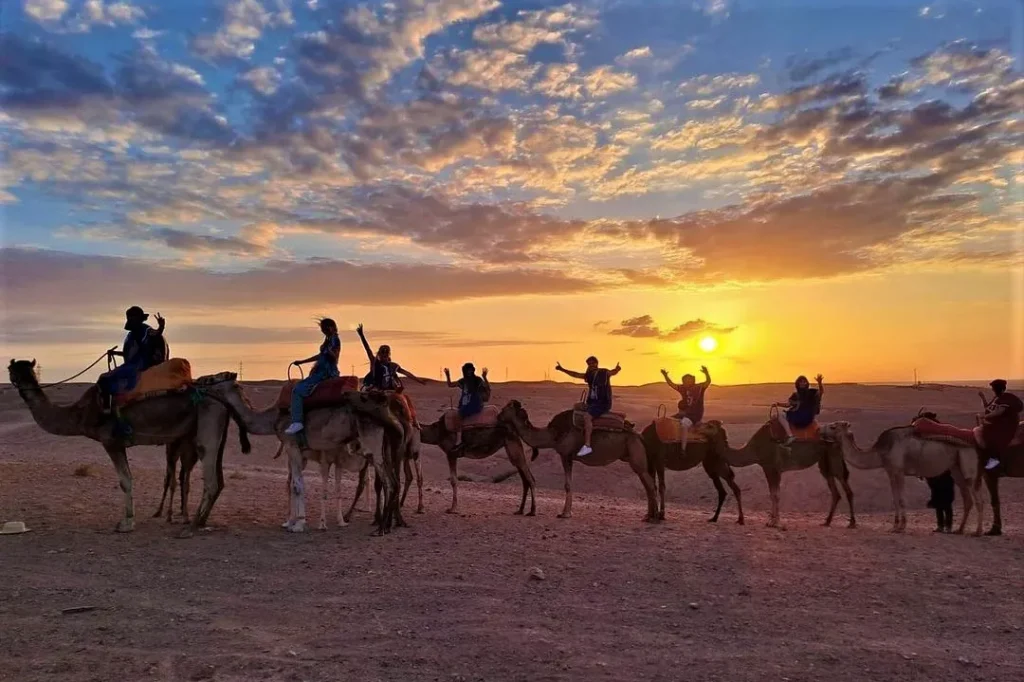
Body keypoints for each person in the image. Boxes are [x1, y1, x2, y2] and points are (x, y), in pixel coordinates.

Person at [97, 306, 168, 412]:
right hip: (133, 365)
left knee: (104, 379)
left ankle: (107, 410)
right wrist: (115, 353)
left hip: (140, 367)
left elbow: (156, 335)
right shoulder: (132, 335)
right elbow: (131, 354)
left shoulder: (146, 331)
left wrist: (161, 327)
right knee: (105, 380)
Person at [284, 318, 341, 435]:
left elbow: (334, 357)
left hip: (325, 373)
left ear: (329, 327)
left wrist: (329, 351)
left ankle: (297, 422)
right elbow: (321, 356)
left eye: (324, 329)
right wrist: (302, 361)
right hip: (322, 371)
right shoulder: (329, 340)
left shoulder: (334, 340)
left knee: (297, 390)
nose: (322, 331)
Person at [555, 357, 620, 457]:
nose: (590, 366)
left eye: (592, 364)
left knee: (587, 417)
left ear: (596, 364)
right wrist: (562, 369)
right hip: (593, 403)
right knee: (576, 407)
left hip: (602, 403)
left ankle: (587, 445)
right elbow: (575, 374)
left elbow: (612, 372)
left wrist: (617, 369)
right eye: (589, 364)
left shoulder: (603, 373)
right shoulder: (589, 375)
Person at [356, 324, 426, 391]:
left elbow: (407, 373)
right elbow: (368, 349)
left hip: (390, 389)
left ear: (388, 354)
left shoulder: (393, 366)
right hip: (375, 388)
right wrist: (362, 336)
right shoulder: (375, 362)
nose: (384, 355)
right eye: (382, 353)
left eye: (386, 353)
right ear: (379, 354)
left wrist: (419, 380)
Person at [661, 365, 711, 450]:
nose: (685, 382)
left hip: (694, 415)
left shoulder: (699, 388)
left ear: (692, 380)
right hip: (685, 413)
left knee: (684, 424)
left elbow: (708, 382)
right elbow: (672, 384)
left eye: (687, 380)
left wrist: (706, 373)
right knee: (668, 420)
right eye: (684, 380)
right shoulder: (683, 388)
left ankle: (683, 449)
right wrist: (666, 376)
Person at [444, 363, 490, 453]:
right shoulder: (463, 381)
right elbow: (450, 385)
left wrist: (484, 377)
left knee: (461, 415)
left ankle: (461, 440)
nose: (470, 372)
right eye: (468, 370)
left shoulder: (477, 380)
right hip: (465, 403)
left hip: (474, 403)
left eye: (471, 370)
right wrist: (448, 375)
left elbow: (487, 386)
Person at [980, 379, 1023, 471]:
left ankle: (996, 460)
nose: (993, 390)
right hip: (996, 424)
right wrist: (982, 398)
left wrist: (985, 416)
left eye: (994, 388)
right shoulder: (997, 398)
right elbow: (988, 408)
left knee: (994, 438)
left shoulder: (1007, 398)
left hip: (1006, 425)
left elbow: (998, 412)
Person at [772, 374, 824, 444]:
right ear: (798, 383)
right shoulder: (795, 395)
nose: (802, 383)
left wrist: (819, 383)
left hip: (804, 416)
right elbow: (788, 405)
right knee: (781, 415)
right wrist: (778, 404)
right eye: (801, 382)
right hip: (802, 416)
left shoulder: (811, 392)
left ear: (807, 383)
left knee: (780, 416)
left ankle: (790, 436)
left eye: (804, 382)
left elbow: (820, 393)